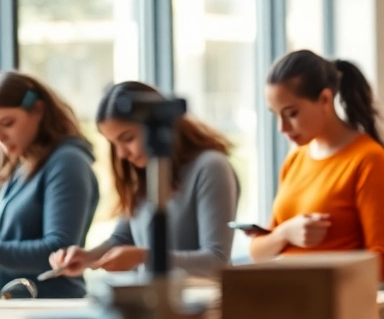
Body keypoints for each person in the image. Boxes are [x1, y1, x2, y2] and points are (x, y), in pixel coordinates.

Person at [49, 81, 239, 278]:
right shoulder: (143, 172)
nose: (122, 154)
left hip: (202, 303)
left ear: (160, 127)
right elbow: (123, 238)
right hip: (154, 300)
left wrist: (144, 257)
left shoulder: (211, 167)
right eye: (114, 144)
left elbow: (217, 261)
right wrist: (87, 257)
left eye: (128, 138)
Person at [250, 50, 384, 282]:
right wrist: (285, 234)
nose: (282, 128)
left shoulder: (369, 160)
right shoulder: (295, 159)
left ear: (325, 100)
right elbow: (257, 252)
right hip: (286, 307)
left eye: (291, 113)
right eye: (276, 115)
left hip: (338, 311)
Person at [0, 72, 99, 298]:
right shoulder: (21, 166)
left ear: (38, 111)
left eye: (7, 123)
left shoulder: (67, 162)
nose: (0, 137)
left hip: (52, 309)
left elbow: (58, 249)